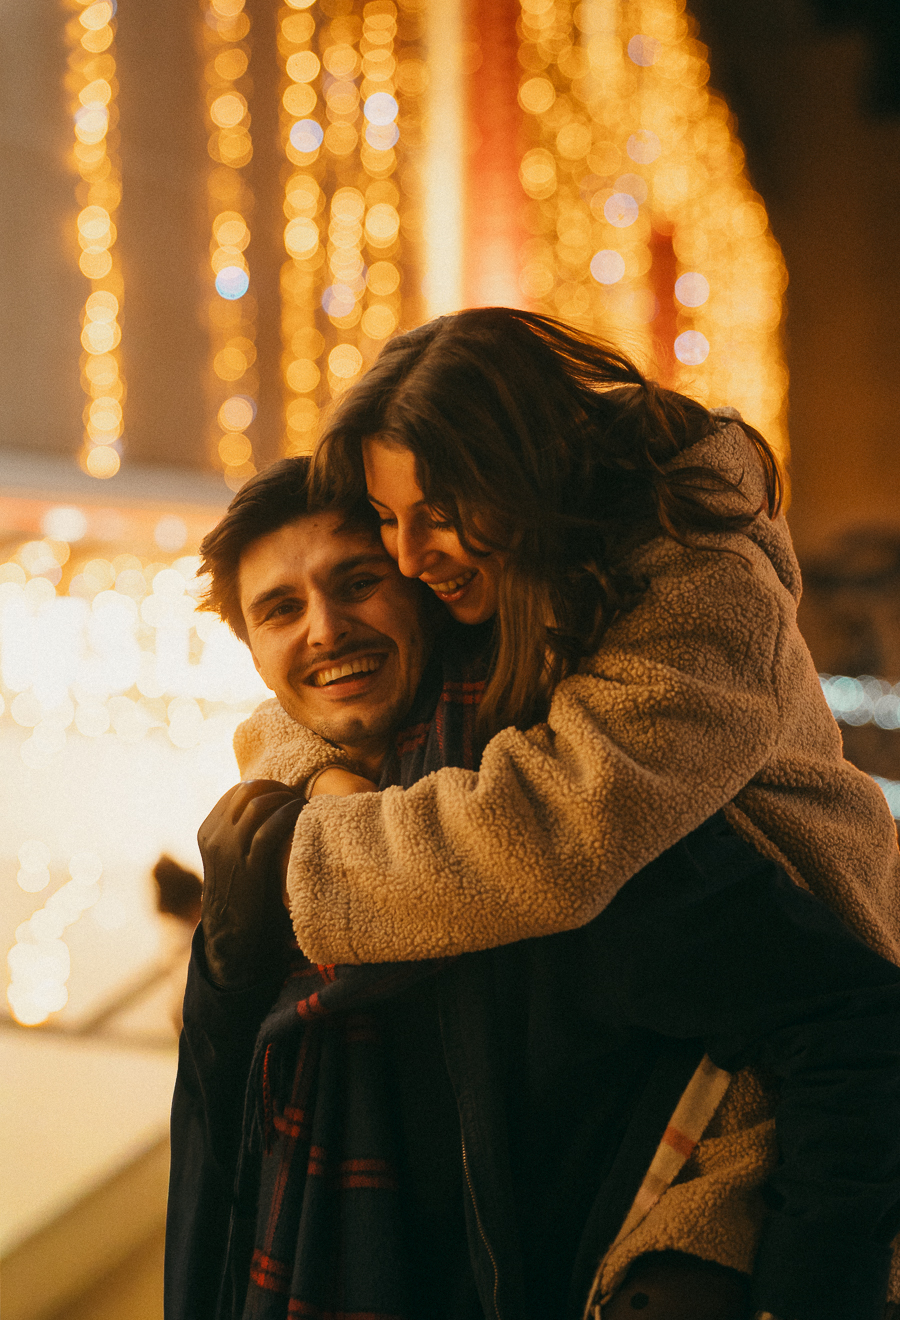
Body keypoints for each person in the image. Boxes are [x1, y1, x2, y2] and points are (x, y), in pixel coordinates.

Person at [170, 458, 900, 1320]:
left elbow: (855, 1024)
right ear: (254, 652)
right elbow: (219, 1153)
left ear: (425, 590)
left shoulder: (549, 817)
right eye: (280, 609)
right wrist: (222, 965)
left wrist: (797, 1293)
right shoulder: (271, 845)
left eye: (358, 582)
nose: (324, 629)